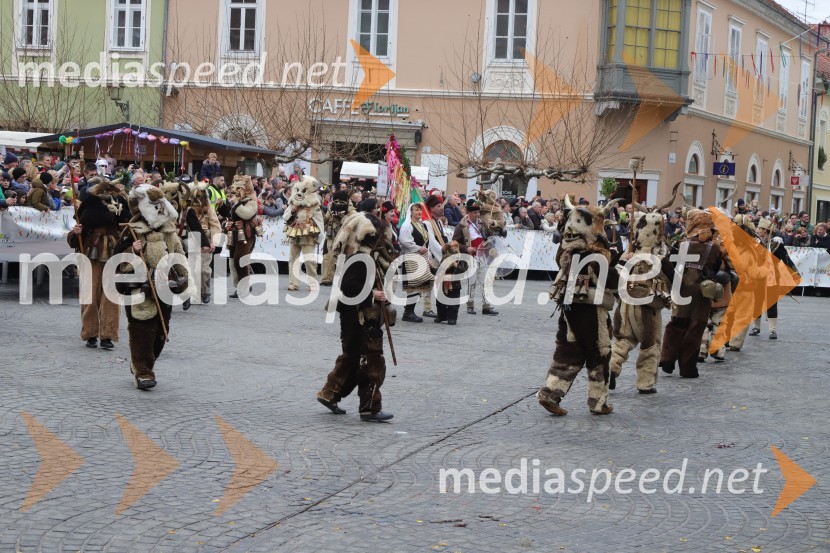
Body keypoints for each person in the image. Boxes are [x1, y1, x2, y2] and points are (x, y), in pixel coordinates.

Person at [538, 197, 622, 416]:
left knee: (568, 352)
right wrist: (620, 265)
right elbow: (611, 283)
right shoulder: (594, 257)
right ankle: (598, 402)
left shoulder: (566, 253)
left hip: (568, 311)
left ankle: (550, 393)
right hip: (591, 312)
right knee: (599, 353)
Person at [317, 211, 395, 422]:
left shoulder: (362, 256)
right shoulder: (361, 258)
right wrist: (372, 295)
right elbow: (349, 289)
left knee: (352, 357)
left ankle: (330, 393)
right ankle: (370, 407)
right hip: (360, 317)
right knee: (372, 361)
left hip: (355, 318)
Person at [114, 184, 190, 390]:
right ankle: (143, 371)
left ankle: (142, 363)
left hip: (165, 289)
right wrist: (132, 248)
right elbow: (116, 258)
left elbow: (180, 257)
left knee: (160, 335)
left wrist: (185, 285)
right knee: (142, 331)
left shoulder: (170, 232)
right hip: (139, 289)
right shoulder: (132, 231)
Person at [67, 177, 131, 350]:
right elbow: (74, 239)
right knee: (90, 294)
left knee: (111, 296)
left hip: (113, 252)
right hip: (91, 254)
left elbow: (127, 226)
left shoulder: (120, 202)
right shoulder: (90, 204)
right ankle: (90, 333)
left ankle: (107, 335)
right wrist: (76, 232)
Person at [660, 208, 723, 379]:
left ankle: (667, 359)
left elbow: (669, 263)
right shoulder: (715, 248)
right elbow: (716, 268)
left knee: (676, 325)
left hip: (681, 288)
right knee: (695, 328)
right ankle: (687, 368)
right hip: (701, 292)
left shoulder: (681, 244)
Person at [748, 218, 797, 339]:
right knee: (757, 302)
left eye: (760, 228)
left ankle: (772, 330)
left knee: (771, 303)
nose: (757, 230)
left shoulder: (776, 243)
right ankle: (756, 327)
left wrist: (794, 273)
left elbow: (785, 259)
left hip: (772, 277)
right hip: (758, 276)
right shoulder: (755, 242)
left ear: (765, 230)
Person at [453, 199, 498, 315]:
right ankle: (470, 305)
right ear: (468, 212)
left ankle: (486, 306)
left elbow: (488, 236)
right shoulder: (461, 226)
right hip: (471, 256)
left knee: (485, 281)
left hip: (482, 255)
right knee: (471, 282)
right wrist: (466, 248)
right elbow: (455, 242)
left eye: (478, 212)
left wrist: (492, 231)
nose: (477, 215)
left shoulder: (481, 223)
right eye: (474, 213)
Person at [283, 176, 324, 291]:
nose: (300, 193)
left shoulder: (314, 205)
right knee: (293, 259)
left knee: (309, 260)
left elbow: (320, 221)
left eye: (304, 190)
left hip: (308, 235)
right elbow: (285, 217)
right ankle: (293, 283)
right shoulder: (292, 203)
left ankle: (312, 283)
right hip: (294, 233)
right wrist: (292, 210)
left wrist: (319, 237)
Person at [398, 202, 437, 322]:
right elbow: (404, 240)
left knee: (420, 285)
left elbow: (426, 242)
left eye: (420, 210)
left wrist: (427, 256)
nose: (419, 212)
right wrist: (417, 248)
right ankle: (408, 312)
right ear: (411, 212)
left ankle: (409, 310)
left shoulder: (421, 225)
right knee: (414, 285)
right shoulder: (408, 225)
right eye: (416, 210)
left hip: (421, 258)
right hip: (411, 258)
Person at [225, 175, 260, 298]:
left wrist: (235, 204)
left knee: (241, 260)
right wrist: (223, 205)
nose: (236, 190)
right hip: (233, 233)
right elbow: (227, 214)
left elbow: (247, 214)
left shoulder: (251, 201)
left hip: (246, 234)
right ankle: (240, 287)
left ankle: (244, 287)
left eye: (239, 188)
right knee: (233, 261)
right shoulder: (235, 200)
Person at [189, 182, 222, 304]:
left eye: (200, 196)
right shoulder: (188, 210)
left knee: (203, 270)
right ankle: (194, 294)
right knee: (192, 270)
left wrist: (213, 242)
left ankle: (206, 291)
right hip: (192, 242)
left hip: (206, 242)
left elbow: (216, 226)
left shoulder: (209, 209)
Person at [321, 189, 356, 286]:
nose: (338, 204)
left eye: (341, 202)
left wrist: (343, 219)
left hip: (344, 238)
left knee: (341, 257)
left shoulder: (351, 211)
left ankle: (341, 279)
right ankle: (326, 278)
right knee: (327, 257)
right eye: (336, 201)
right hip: (330, 235)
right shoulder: (331, 207)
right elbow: (325, 220)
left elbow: (353, 224)